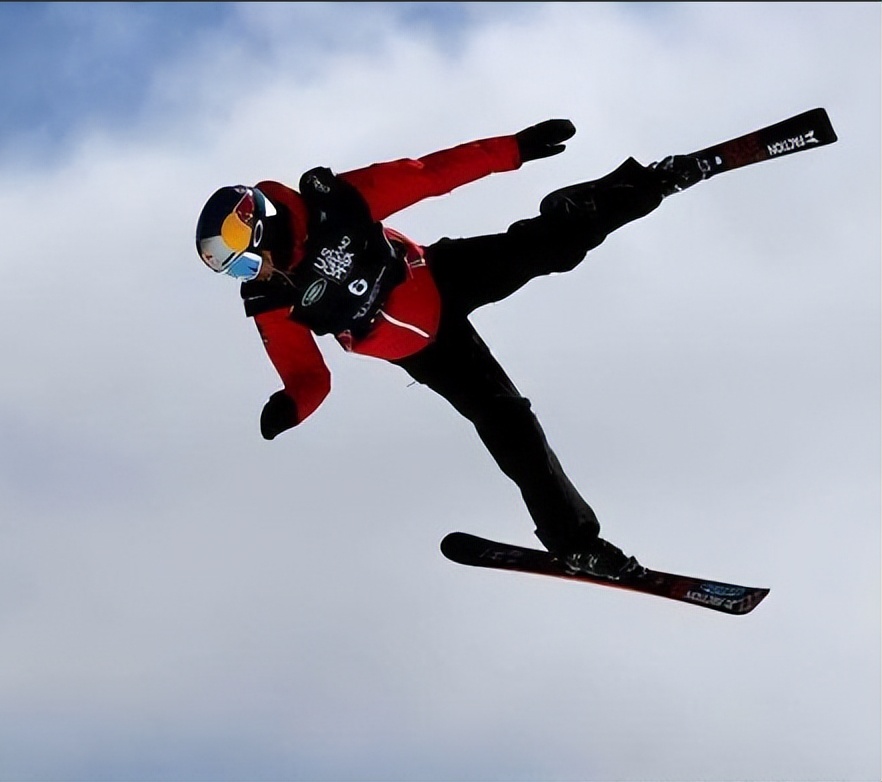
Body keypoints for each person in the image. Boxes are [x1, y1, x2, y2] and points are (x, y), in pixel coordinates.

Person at [193, 119, 706, 579]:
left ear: (262, 227)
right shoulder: (271, 299)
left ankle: (648, 183)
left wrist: (512, 149)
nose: (250, 274)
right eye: (233, 270)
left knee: (553, 247)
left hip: (438, 276)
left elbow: (428, 175)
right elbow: (308, 374)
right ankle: (576, 544)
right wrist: (291, 405)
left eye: (244, 260)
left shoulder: (332, 205)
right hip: (424, 351)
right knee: (511, 424)